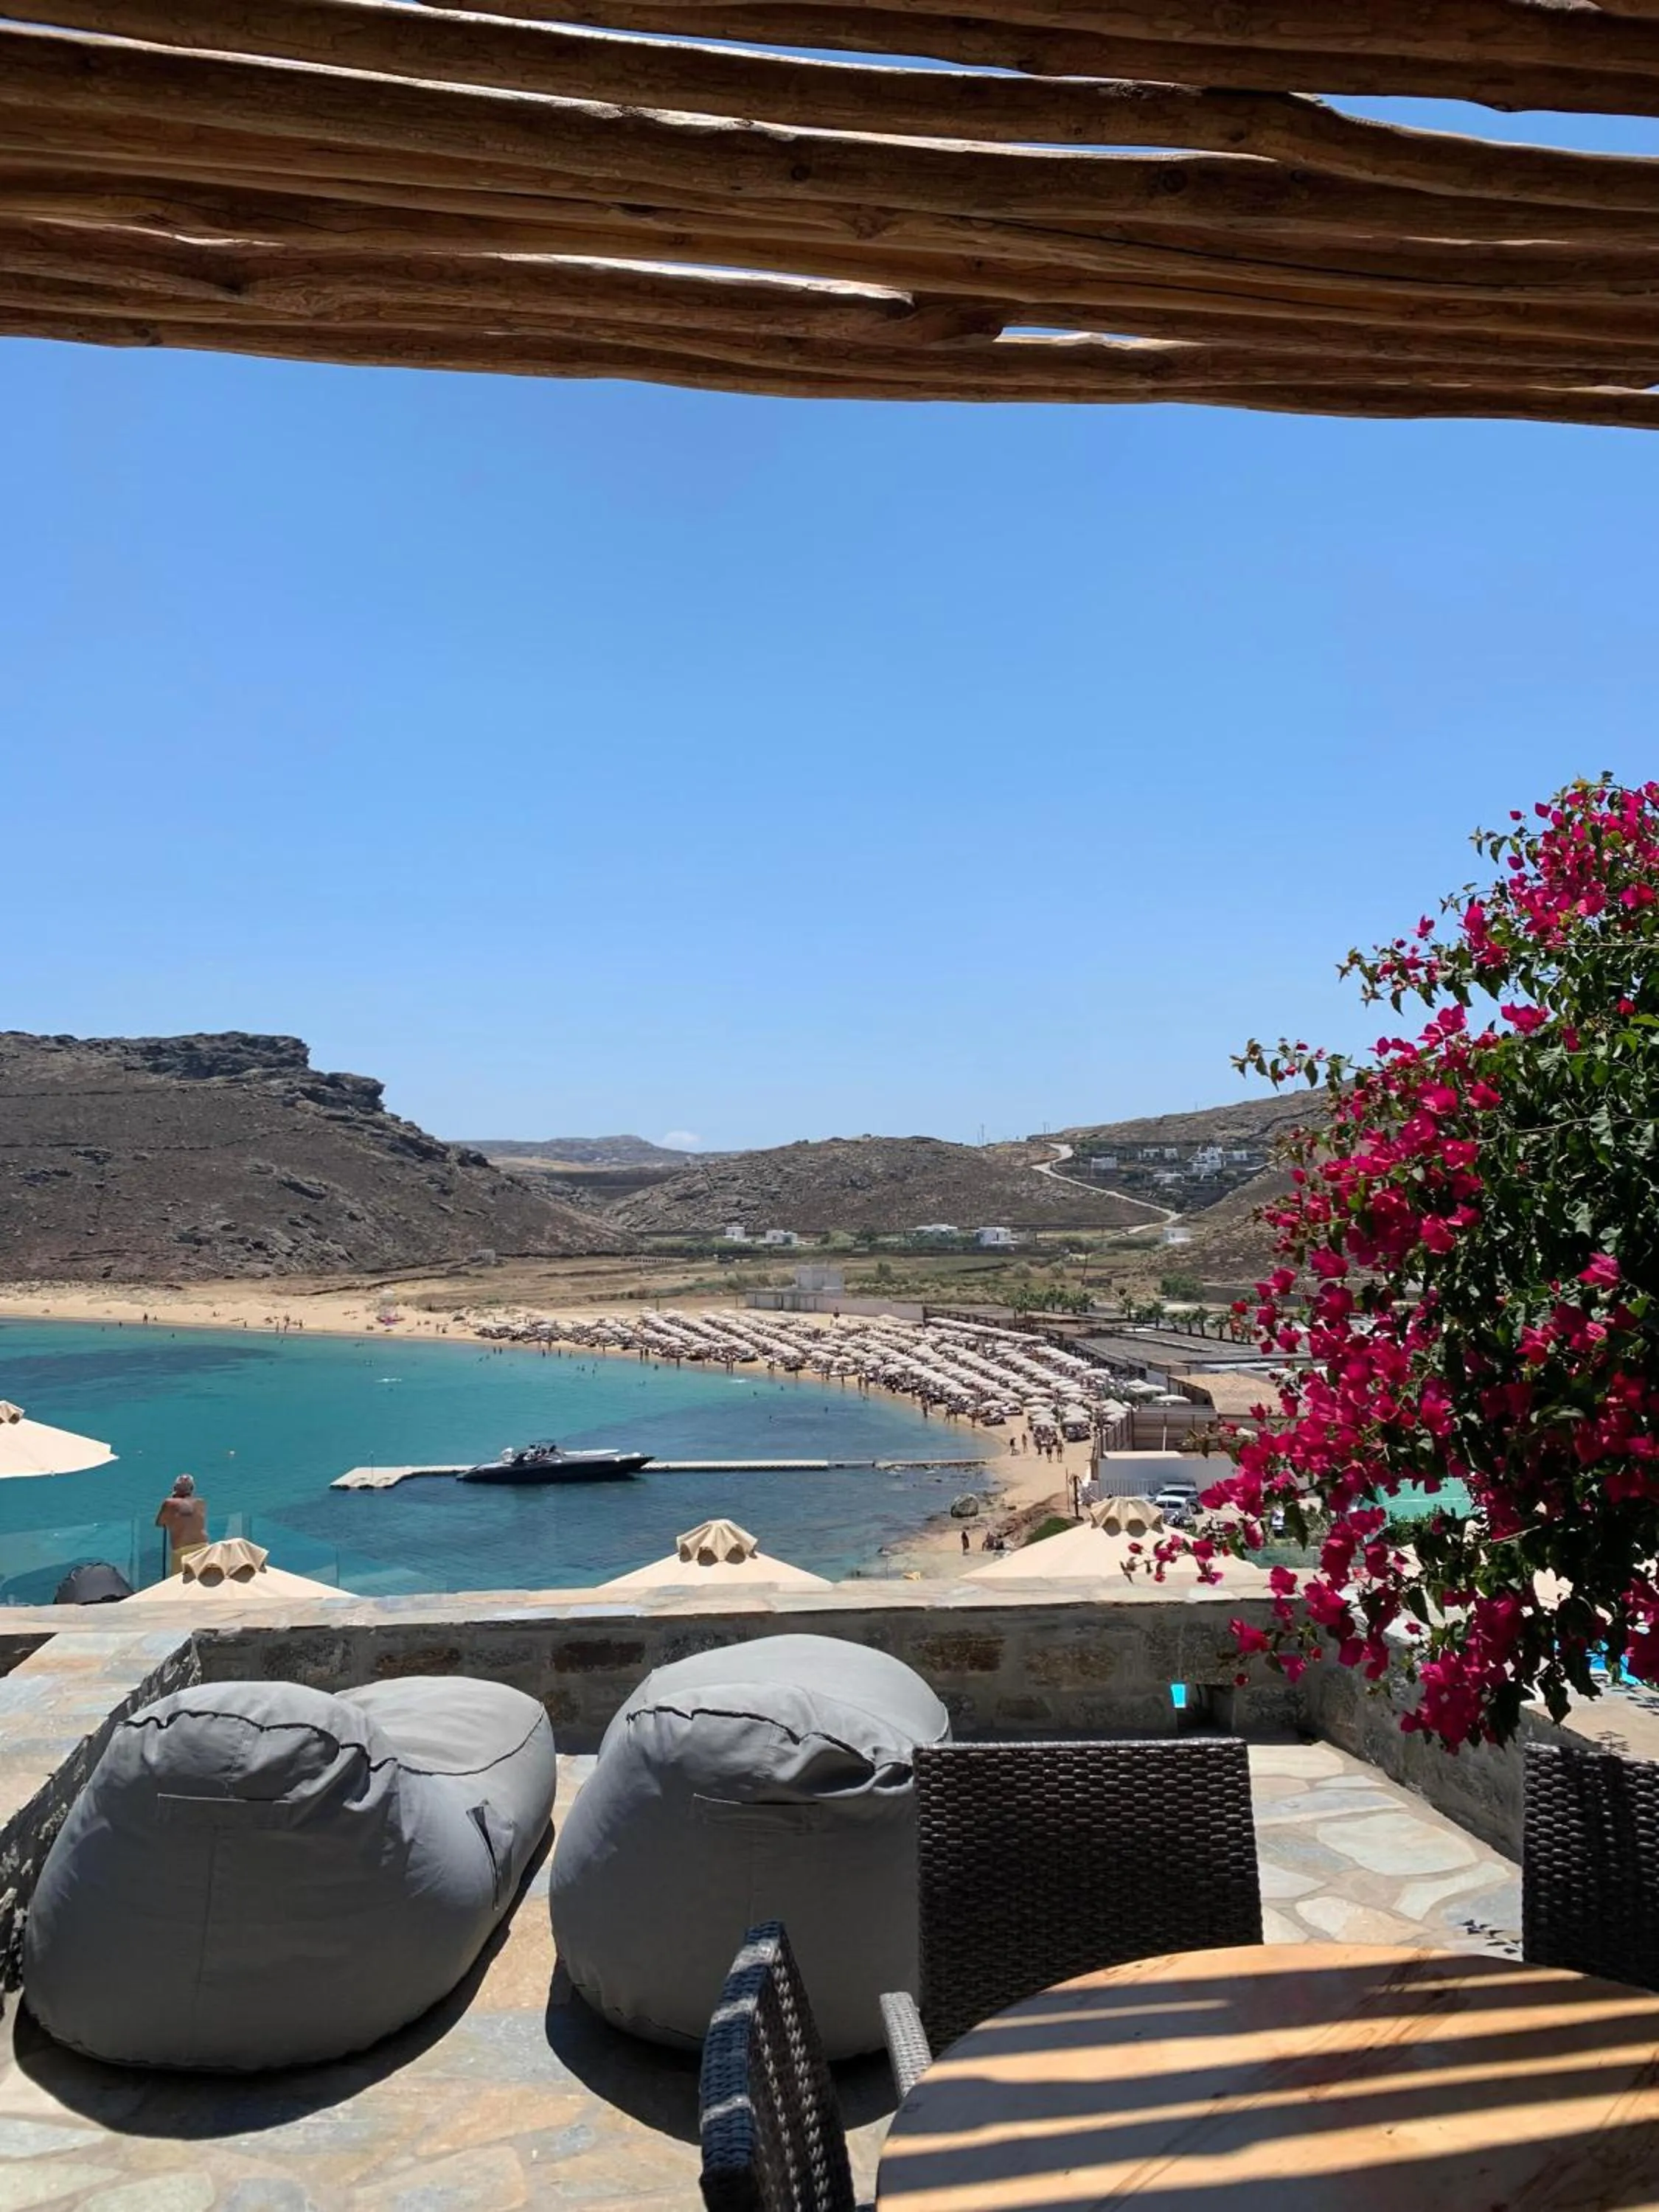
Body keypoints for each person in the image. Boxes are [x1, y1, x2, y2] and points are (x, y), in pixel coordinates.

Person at [156, 1475, 206, 1572]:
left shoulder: (169, 1503)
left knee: (180, 1583)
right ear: (192, 1488)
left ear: (175, 1488)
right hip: (203, 1547)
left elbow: (159, 1522)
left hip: (182, 1550)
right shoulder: (200, 1503)